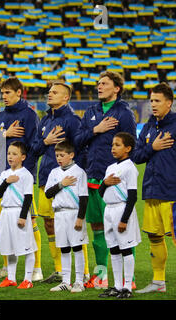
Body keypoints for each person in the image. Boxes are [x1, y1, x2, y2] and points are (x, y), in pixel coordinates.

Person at [75, 71, 136, 289]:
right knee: (98, 228)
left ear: (116, 88)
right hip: (92, 177)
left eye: (104, 84)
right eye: (98, 83)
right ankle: (101, 274)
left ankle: (130, 280)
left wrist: (121, 173)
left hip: (113, 180)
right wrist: (96, 130)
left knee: (122, 229)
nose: (99, 86)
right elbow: (77, 141)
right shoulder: (91, 111)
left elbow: (132, 145)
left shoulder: (125, 113)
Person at [32, 81, 87, 284]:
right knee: (49, 223)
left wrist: (75, 175)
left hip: (68, 180)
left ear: (66, 97)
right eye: (49, 91)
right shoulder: (45, 120)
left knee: (73, 225)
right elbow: (35, 150)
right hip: (46, 177)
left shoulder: (72, 120)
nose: (49, 94)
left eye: (54, 92)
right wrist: (45, 142)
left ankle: (85, 271)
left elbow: (80, 147)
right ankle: (60, 270)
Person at [0, 77, 42, 281]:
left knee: (30, 219)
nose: (4, 96)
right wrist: (5, 134)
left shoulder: (29, 115)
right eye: (2, 93)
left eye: (8, 93)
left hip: (22, 176)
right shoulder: (0, 116)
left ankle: (37, 268)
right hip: (2, 173)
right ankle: (7, 267)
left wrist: (24, 175)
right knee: (1, 219)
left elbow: (34, 145)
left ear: (19, 93)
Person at [133, 82, 176, 294]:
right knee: (154, 236)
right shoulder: (149, 127)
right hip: (152, 190)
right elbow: (137, 156)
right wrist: (153, 147)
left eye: (157, 101)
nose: (153, 105)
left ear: (169, 103)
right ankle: (158, 282)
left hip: (172, 192)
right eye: (151, 101)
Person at [98, 132, 141, 298]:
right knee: (114, 249)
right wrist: (104, 183)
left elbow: (133, 196)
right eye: (112, 145)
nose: (113, 148)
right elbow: (102, 192)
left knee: (126, 249)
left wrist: (124, 219)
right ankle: (116, 286)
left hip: (122, 210)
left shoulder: (130, 167)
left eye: (117, 145)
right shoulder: (110, 168)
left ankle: (127, 287)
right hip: (108, 210)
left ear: (128, 148)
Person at [44, 140, 89, 293]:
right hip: (59, 214)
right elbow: (48, 193)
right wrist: (62, 184)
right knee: (64, 248)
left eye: (62, 155)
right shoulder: (54, 173)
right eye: (57, 155)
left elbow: (84, 197)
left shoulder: (79, 172)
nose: (59, 158)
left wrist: (80, 218)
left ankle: (78, 281)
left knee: (77, 247)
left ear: (71, 155)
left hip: (74, 213)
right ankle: (65, 281)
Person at [0, 141, 37, 289]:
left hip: (19, 212)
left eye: (14, 154)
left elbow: (28, 197)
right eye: (8, 154)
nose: (10, 157)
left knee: (26, 247)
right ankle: (11, 278)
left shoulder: (26, 175)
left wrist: (23, 216)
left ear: (23, 157)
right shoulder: (5, 174)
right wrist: (6, 181)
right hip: (5, 213)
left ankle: (28, 279)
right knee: (9, 247)